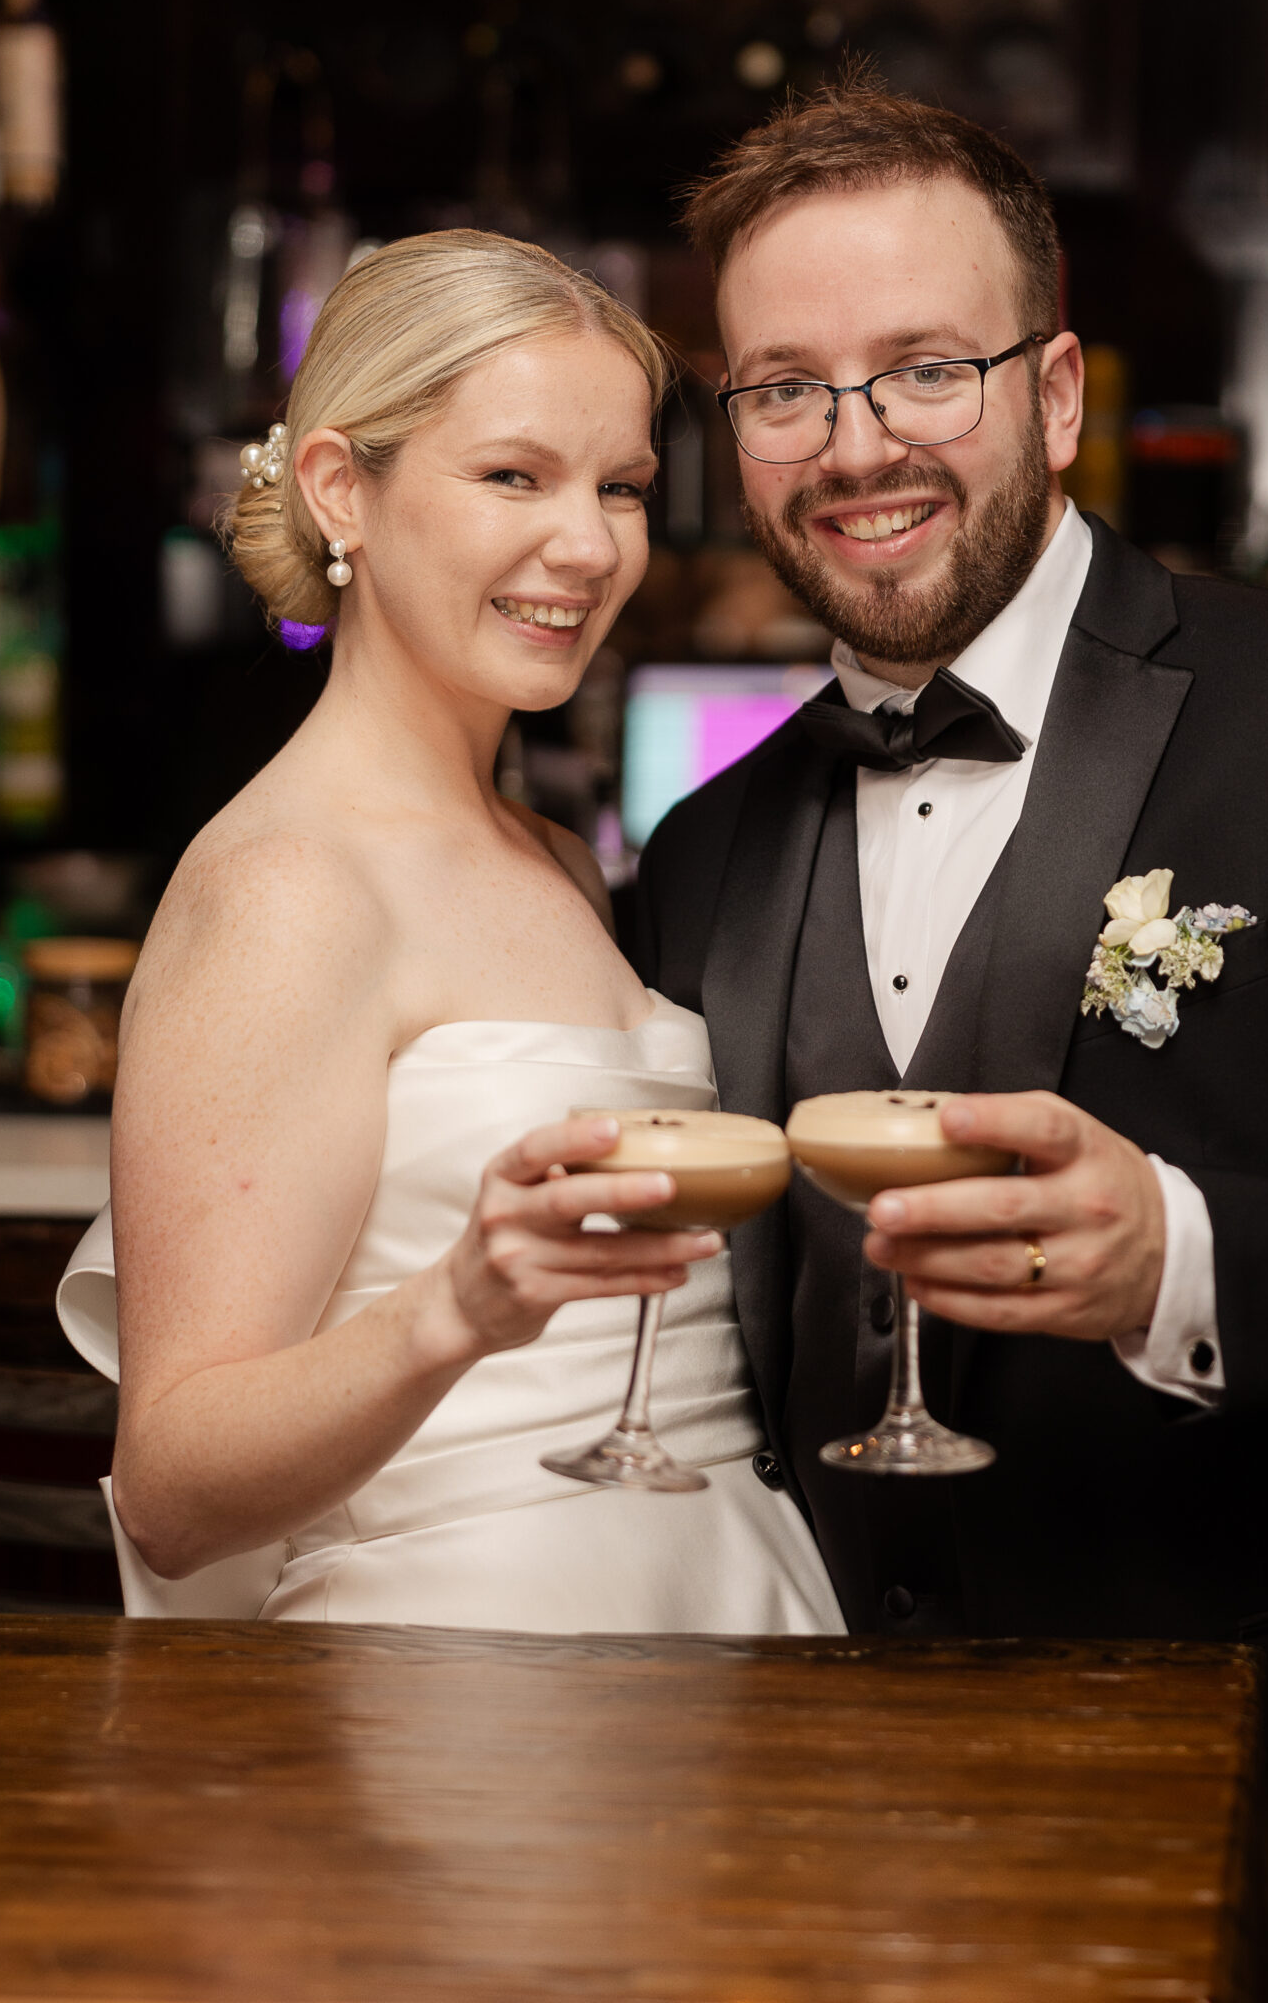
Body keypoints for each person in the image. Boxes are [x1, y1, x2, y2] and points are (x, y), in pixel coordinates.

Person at [634, 80, 1268, 2003]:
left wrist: (1185, 1263)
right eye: (786, 388)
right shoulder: (705, 852)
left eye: (924, 371)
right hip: (861, 1848)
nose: (855, 445)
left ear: (1056, 395)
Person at [57, 229, 839, 1637]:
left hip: (729, 1611)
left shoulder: (558, 863)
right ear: (341, 489)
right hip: (462, 1677)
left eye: (622, 488)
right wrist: (459, 1307)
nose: (590, 546)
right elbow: (170, 1493)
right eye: (512, 477)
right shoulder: (286, 889)